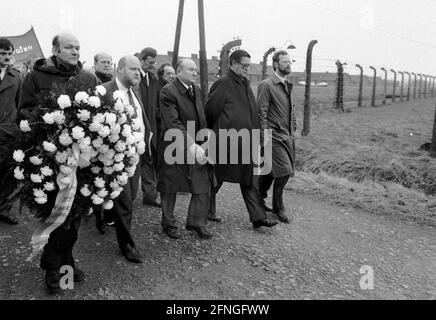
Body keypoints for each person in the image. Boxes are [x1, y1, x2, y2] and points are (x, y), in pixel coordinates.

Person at [18, 33, 98, 294]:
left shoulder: (86, 77)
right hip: (50, 157)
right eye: (69, 47)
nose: (75, 51)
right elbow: (25, 112)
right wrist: (49, 124)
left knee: (74, 215)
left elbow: (98, 114)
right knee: (57, 214)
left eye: (78, 47)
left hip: (81, 159)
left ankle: (66, 259)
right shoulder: (36, 76)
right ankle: (53, 268)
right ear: (55, 50)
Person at [205, 49, 277, 229]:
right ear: (233, 63)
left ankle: (258, 217)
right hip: (226, 142)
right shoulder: (222, 83)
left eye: (248, 66)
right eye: (244, 65)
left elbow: (251, 110)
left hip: (246, 141)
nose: (247, 69)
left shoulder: (245, 82)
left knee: (249, 180)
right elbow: (210, 111)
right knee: (216, 178)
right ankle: (205, 210)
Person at [158, 58, 213, 240]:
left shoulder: (195, 90)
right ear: (179, 71)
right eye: (191, 70)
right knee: (170, 185)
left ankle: (196, 222)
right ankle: (168, 223)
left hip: (195, 143)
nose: (195, 73)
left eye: (196, 70)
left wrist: (204, 142)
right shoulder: (168, 91)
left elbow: (201, 117)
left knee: (202, 181)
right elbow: (173, 122)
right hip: (173, 144)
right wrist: (191, 144)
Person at [103, 55, 151, 263]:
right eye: (133, 69)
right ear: (120, 69)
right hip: (115, 158)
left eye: (138, 69)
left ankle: (104, 215)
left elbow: (141, 119)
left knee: (128, 198)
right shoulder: (105, 91)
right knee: (125, 203)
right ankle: (127, 245)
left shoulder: (134, 91)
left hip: (135, 155)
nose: (137, 73)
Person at [257, 50, 297, 224]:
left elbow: (291, 109)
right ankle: (278, 207)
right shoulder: (267, 85)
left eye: (290, 62)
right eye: (285, 62)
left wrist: (293, 126)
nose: (288, 64)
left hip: (286, 135)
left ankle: (257, 197)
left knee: (272, 171)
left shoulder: (288, 84)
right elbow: (261, 112)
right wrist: (263, 137)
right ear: (275, 64)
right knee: (284, 171)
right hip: (272, 135)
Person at [0, 38, 22, 225]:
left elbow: (20, 103)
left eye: (9, 53)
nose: (7, 57)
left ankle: (4, 208)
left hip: (8, 131)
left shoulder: (16, 77)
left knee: (8, 173)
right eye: (3, 53)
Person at [138, 47, 161, 208]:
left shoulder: (152, 78)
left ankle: (150, 195)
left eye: (154, 62)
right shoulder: (134, 77)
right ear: (142, 59)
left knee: (149, 161)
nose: (152, 65)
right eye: (150, 62)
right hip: (137, 127)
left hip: (150, 128)